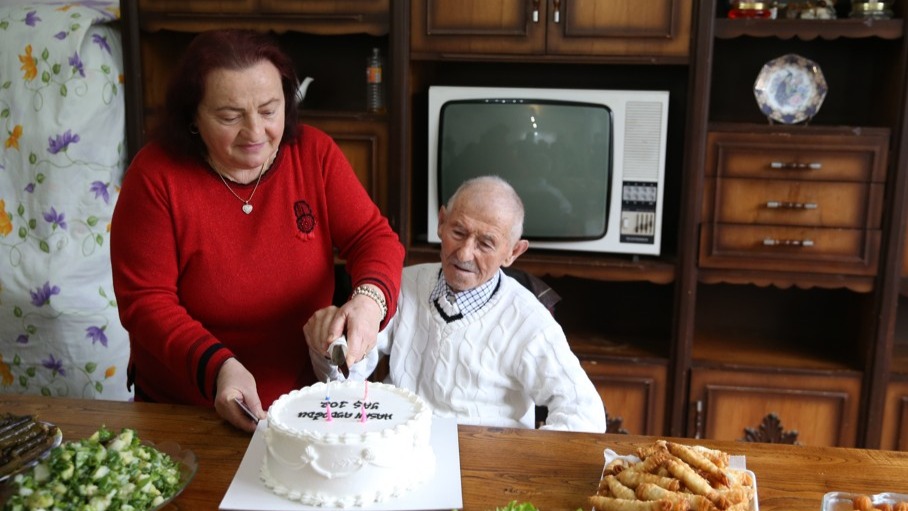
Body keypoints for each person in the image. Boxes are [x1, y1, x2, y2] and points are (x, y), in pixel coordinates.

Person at [110, 29, 404, 433]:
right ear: (192, 115)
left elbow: (374, 237)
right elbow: (145, 302)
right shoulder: (155, 177)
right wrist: (218, 368)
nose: (255, 133)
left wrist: (369, 301)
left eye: (269, 110)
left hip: (303, 404)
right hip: (186, 407)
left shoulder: (314, 154)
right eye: (230, 117)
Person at [306, 176, 607, 432]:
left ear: (512, 252)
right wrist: (330, 348)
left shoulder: (530, 321)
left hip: (486, 466)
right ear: (441, 223)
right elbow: (345, 380)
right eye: (458, 232)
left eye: (485, 243)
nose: (464, 254)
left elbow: (585, 415)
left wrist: (524, 461)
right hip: (400, 447)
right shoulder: (401, 284)